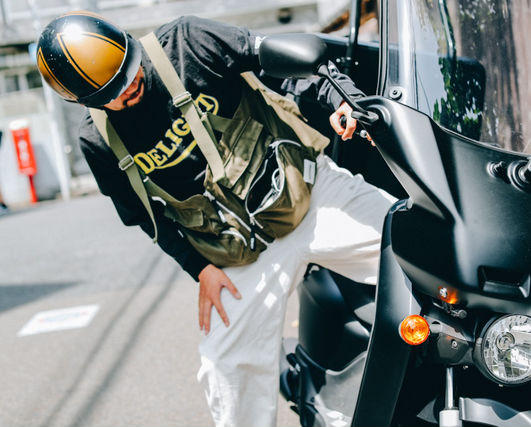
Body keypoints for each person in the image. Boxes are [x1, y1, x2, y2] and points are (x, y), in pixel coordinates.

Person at [36, 11, 394, 426]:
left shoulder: (188, 41)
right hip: (240, 252)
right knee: (225, 368)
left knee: (419, 244)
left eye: (130, 71)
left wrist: (339, 100)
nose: (130, 86)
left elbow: (283, 69)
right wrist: (200, 269)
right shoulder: (97, 140)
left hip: (310, 193)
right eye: (112, 92)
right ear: (83, 101)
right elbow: (145, 218)